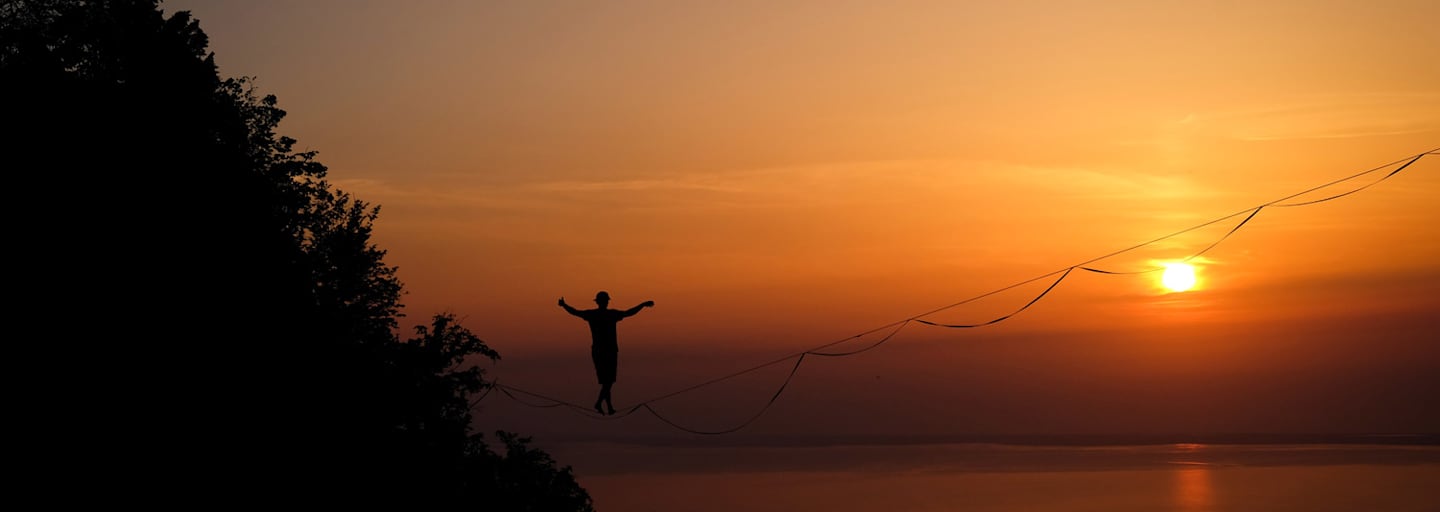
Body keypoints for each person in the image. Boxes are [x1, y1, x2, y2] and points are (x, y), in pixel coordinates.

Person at [559, 291, 654, 415]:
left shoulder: (594, 315)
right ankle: (599, 403)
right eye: (606, 301)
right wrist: (643, 304)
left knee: (606, 381)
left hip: (600, 351)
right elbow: (629, 313)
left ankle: (609, 407)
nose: (606, 303)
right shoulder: (610, 314)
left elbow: (575, 312)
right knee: (608, 381)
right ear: (605, 302)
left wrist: (564, 305)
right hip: (608, 351)